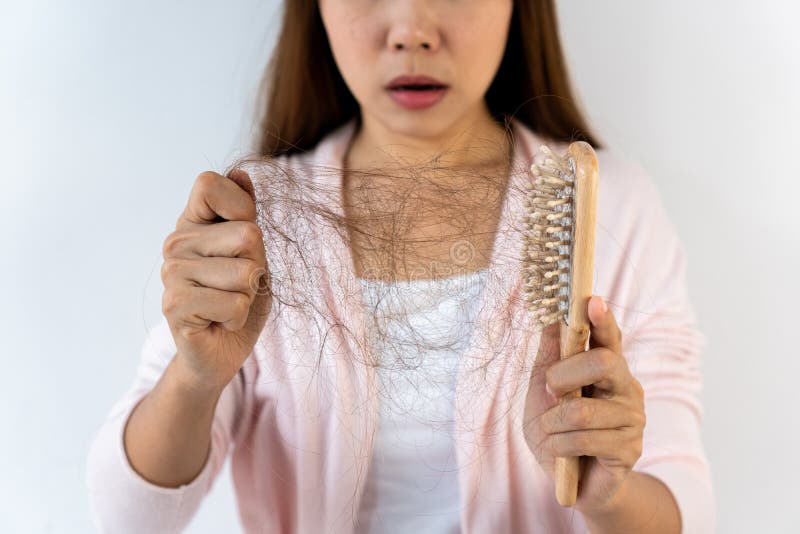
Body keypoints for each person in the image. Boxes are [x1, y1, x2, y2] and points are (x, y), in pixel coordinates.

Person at [86, 1, 716, 533]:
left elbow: (684, 508)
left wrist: (604, 493)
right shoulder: (256, 220)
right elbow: (127, 514)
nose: (412, 28)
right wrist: (195, 377)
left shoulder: (613, 210)